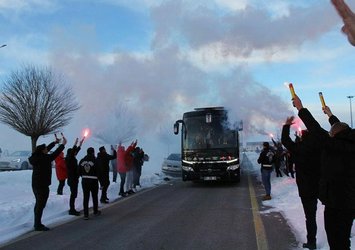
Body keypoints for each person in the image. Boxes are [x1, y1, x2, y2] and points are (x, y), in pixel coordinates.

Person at [293, 94, 355, 250]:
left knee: (337, 242)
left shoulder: (335, 146)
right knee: (343, 239)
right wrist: (330, 115)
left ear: (334, 136)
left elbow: (314, 128)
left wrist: (300, 107)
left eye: (331, 133)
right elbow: (341, 129)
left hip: (337, 203)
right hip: (350, 201)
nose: (329, 134)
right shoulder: (348, 141)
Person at [281, 117, 322, 249]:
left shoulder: (299, 148)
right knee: (337, 210)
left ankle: (312, 242)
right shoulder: (320, 148)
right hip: (323, 185)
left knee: (310, 217)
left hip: (306, 189)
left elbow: (285, 140)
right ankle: (347, 233)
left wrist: (286, 125)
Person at [28, 135, 67, 231]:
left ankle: (37, 223)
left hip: (35, 184)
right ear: (42, 151)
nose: (47, 150)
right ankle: (38, 225)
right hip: (42, 184)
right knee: (41, 204)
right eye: (45, 149)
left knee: (39, 204)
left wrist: (54, 143)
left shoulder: (36, 156)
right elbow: (54, 154)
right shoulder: (44, 158)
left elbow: (46, 150)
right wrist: (62, 145)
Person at [79, 147, 101, 220]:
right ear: (93, 152)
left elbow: (78, 170)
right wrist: (101, 182)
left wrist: (83, 175)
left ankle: (86, 214)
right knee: (94, 196)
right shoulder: (95, 160)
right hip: (93, 180)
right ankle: (95, 211)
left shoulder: (82, 160)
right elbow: (99, 171)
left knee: (86, 197)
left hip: (84, 180)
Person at [65, 137, 84, 216]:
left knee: (74, 194)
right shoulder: (69, 159)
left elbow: (76, 151)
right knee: (73, 194)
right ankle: (72, 209)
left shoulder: (71, 158)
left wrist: (80, 144)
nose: (76, 153)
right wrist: (75, 143)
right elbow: (73, 151)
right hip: (72, 179)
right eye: (74, 152)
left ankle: (72, 208)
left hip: (73, 179)